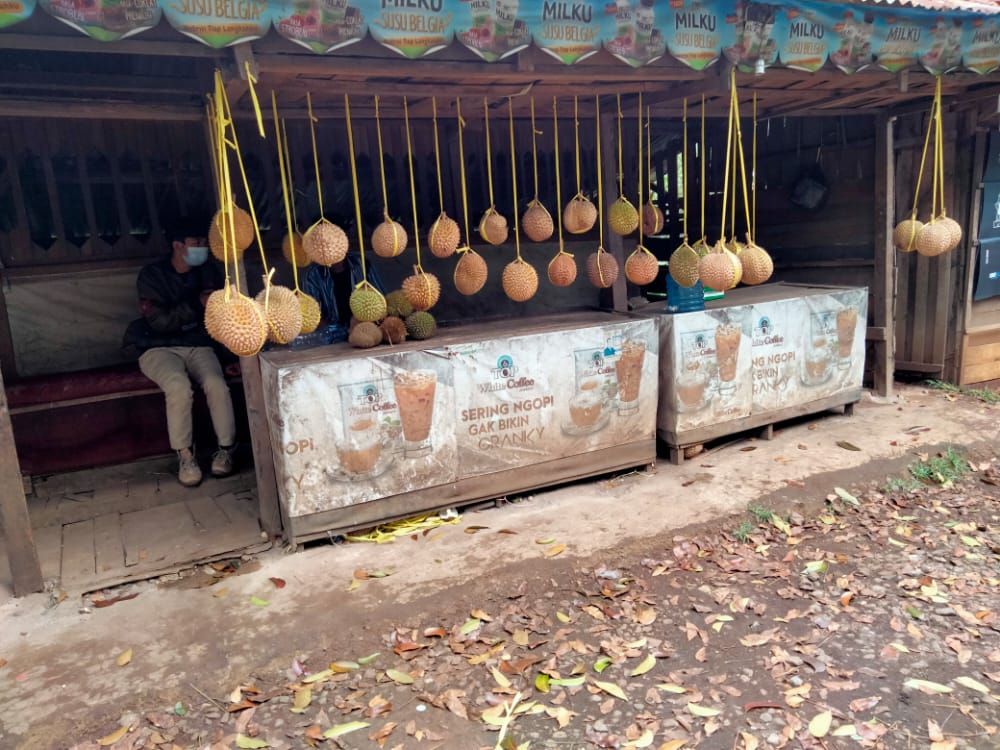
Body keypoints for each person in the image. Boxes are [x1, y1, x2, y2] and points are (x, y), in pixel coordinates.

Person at [122, 221, 238, 487]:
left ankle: (226, 449)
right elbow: (158, 322)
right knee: (178, 386)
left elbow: (225, 321)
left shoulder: (210, 272)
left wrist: (230, 358)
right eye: (196, 242)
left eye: (203, 242)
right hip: (157, 347)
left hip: (199, 344)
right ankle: (185, 455)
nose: (203, 248)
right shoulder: (151, 276)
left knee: (216, 384)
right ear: (178, 245)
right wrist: (197, 303)